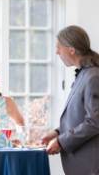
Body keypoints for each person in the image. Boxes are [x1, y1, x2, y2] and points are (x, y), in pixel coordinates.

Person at [42, 25, 99, 175]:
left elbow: (95, 122)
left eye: (58, 47)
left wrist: (62, 141)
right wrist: (56, 133)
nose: (57, 52)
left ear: (71, 50)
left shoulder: (93, 76)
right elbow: (79, 116)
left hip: (90, 165)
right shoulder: (84, 74)